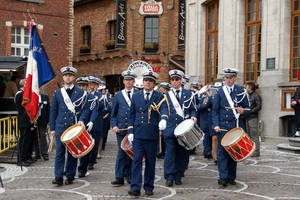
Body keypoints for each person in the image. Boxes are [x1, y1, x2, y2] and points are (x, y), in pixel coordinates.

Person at [127, 71, 168, 196]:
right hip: (138, 133)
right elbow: (131, 114)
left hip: (151, 133)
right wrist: (130, 130)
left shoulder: (159, 96)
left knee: (150, 161)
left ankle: (149, 186)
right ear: (143, 82)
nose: (148, 82)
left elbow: (165, 108)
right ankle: (135, 186)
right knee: (137, 160)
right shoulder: (136, 96)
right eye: (146, 80)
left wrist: (164, 119)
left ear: (154, 83)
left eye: (150, 80)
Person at [50, 66, 91, 186]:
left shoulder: (81, 93)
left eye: (70, 75)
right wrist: (52, 128)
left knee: (73, 152)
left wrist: (82, 119)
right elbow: (54, 111)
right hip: (61, 126)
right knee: (59, 153)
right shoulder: (58, 93)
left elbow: (85, 109)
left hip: (74, 127)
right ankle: (58, 176)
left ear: (73, 77)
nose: (68, 77)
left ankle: (70, 175)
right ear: (63, 77)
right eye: (66, 75)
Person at [211, 68, 250, 187]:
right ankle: (223, 177)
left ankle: (231, 177)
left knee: (234, 153)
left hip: (236, 127)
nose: (228, 80)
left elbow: (248, 109)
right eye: (226, 78)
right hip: (223, 127)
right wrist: (216, 124)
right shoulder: (220, 92)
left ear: (235, 78)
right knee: (222, 153)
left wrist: (243, 111)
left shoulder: (241, 91)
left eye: (230, 78)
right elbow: (215, 111)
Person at [163, 70, 197, 187]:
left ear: (181, 80)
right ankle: (169, 176)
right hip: (170, 128)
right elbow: (163, 111)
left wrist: (193, 116)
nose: (174, 82)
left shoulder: (188, 94)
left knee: (183, 154)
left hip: (184, 129)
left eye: (177, 79)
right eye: (172, 80)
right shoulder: (166, 96)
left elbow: (193, 108)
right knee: (170, 153)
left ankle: (178, 175)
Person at [110, 70, 138, 186]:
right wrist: (115, 125)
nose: (128, 81)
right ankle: (119, 177)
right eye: (126, 79)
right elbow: (113, 114)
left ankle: (131, 176)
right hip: (121, 129)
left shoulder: (138, 94)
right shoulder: (118, 95)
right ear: (123, 81)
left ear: (134, 81)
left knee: (132, 153)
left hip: (134, 130)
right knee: (121, 153)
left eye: (130, 79)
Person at [14, 79, 33, 167]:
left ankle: (25, 157)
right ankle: (21, 159)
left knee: (27, 140)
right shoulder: (20, 94)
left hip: (27, 119)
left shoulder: (23, 94)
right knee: (23, 140)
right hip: (24, 119)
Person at [245, 82, 262, 157]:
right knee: (248, 134)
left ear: (250, 88)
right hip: (247, 117)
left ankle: (256, 151)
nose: (245, 88)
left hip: (253, 117)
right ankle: (250, 150)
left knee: (254, 135)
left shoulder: (256, 95)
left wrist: (250, 111)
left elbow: (259, 106)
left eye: (247, 87)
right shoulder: (247, 95)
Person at [156, 82, 172, 159]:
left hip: (168, 120)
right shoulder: (161, 96)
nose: (159, 89)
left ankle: (163, 152)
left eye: (161, 88)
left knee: (165, 138)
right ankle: (160, 151)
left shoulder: (168, 97)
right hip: (162, 118)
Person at [34, 92, 50, 161]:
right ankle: (37, 153)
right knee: (35, 137)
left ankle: (44, 154)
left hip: (43, 120)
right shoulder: (32, 97)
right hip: (34, 119)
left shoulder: (45, 97)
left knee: (43, 136)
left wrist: (49, 120)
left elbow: (48, 109)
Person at [97, 85, 111, 159]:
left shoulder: (107, 97)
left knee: (104, 134)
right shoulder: (98, 97)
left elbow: (109, 107)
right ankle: (98, 150)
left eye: (104, 90)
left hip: (105, 118)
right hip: (99, 118)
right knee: (99, 135)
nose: (103, 91)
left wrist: (105, 112)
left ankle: (102, 146)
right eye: (101, 90)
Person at [292, 71, 300, 137]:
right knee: (297, 119)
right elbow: (294, 96)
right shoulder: (297, 89)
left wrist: (297, 102)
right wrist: (293, 101)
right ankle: (297, 131)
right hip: (297, 107)